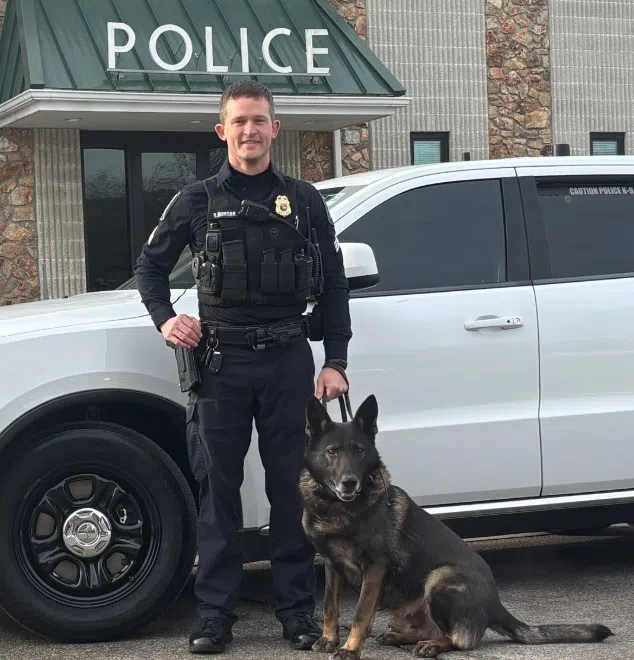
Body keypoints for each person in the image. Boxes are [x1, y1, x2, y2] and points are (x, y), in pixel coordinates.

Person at [134, 80, 352, 654]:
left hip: (287, 362)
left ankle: (298, 612)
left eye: (259, 120)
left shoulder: (304, 200)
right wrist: (166, 320)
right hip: (220, 364)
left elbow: (333, 284)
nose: (249, 130)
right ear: (222, 130)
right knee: (218, 493)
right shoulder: (196, 200)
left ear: (274, 129)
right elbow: (149, 268)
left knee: (292, 490)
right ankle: (214, 616)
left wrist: (335, 360)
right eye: (239, 121)